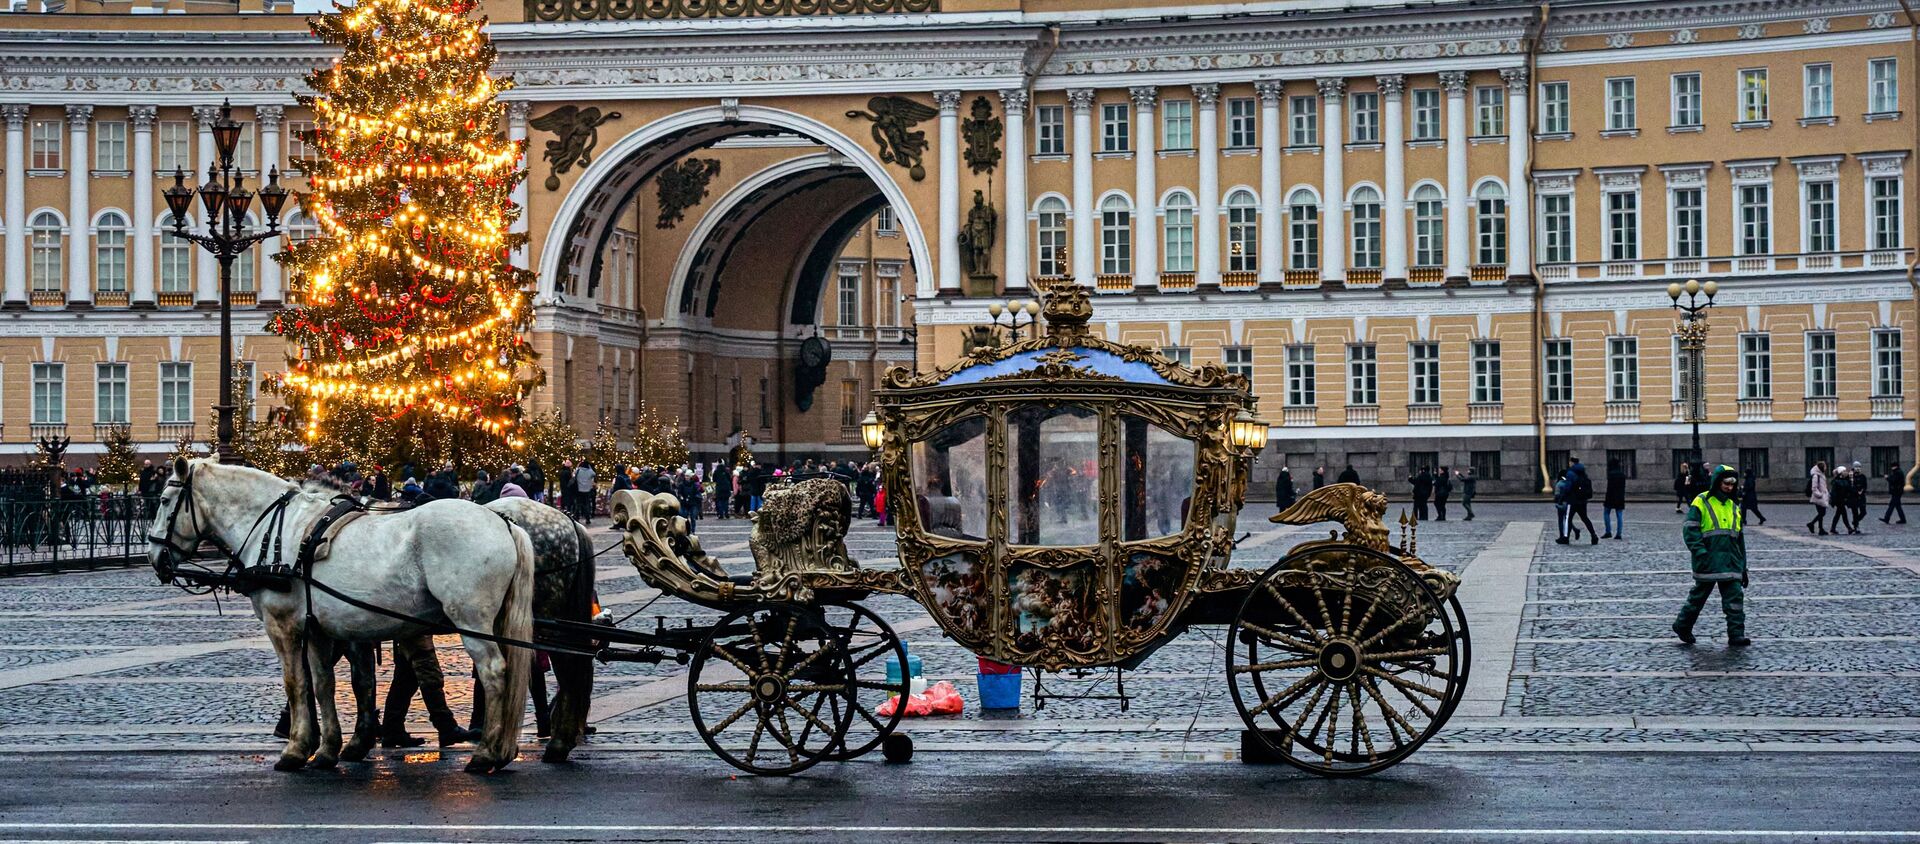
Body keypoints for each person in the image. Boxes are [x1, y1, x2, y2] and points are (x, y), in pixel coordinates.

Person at [1673, 464, 1752, 647]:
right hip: (1708, 559)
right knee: (1697, 598)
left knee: (1734, 599)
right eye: (1726, 483)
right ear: (1717, 482)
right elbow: (1690, 529)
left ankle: (1736, 634)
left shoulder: (1733, 506)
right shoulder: (1701, 501)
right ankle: (1682, 625)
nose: (1729, 487)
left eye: (1732, 484)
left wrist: (1743, 567)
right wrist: (1700, 552)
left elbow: (1739, 539)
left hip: (1731, 561)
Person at [381, 634, 481, 747]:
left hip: (409, 628)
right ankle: (446, 727)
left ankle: (392, 729)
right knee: (427, 671)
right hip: (415, 628)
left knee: (406, 675)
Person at [1566, 456, 1597, 545]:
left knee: (1568, 519)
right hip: (1583, 500)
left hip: (1572, 500)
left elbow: (1568, 487)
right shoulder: (1583, 472)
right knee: (1585, 518)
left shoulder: (1570, 473)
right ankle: (1593, 535)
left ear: (1571, 462)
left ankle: (1566, 537)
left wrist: (1564, 494)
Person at [1603, 457, 1628, 540]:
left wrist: (1606, 498)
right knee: (1619, 515)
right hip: (1620, 496)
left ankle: (1608, 531)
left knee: (1606, 513)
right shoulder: (1622, 474)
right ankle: (1619, 533)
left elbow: (1609, 488)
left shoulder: (1611, 474)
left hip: (1611, 496)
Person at [1829, 465, 1858, 535]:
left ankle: (1833, 528)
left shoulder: (1846, 480)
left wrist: (1851, 481)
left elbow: (1850, 490)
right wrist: (1833, 501)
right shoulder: (1836, 481)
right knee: (1844, 514)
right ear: (1841, 473)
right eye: (1844, 471)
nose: (1846, 472)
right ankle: (1849, 528)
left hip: (1843, 500)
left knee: (1838, 515)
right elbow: (1834, 492)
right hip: (1839, 501)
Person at [1807, 460, 1831, 536]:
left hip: (1821, 497)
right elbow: (1814, 488)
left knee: (1821, 513)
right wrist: (1819, 495)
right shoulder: (1816, 476)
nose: (1826, 468)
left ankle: (1820, 529)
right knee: (1822, 513)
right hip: (1818, 497)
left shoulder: (1821, 475)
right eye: (1825, 466)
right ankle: (1812, 524)